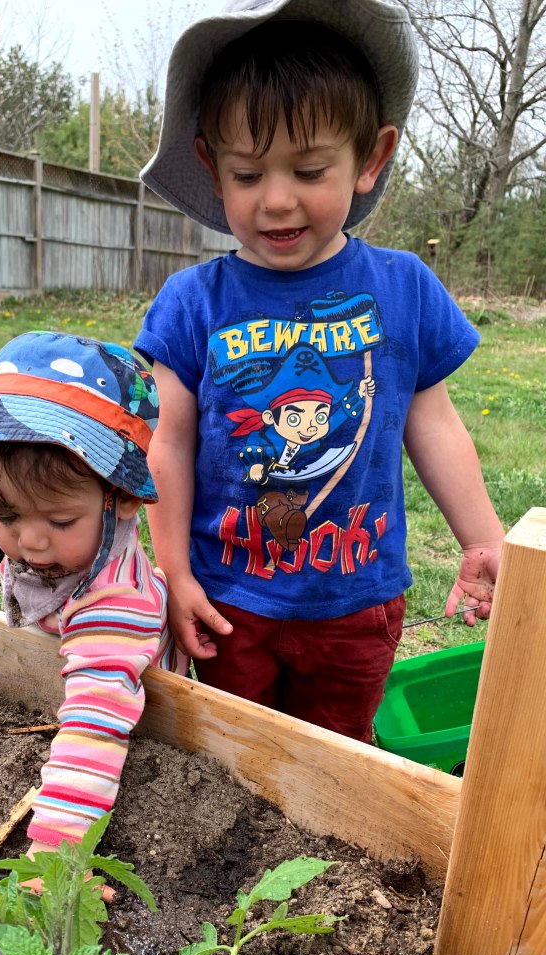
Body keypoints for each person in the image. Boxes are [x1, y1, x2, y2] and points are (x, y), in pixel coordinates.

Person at [135, 0, 504, 743]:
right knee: (240, 757)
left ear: (370, 158)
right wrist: (171, 568)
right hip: (229, 599)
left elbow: (430, 422)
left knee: (339, 754)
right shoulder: (190, 304)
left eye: (308, 170)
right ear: (211, 165)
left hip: (357, 601)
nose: (276, 199)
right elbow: (166, 441)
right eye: (247, 173)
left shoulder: (404, 287)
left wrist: (482, 538)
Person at [0, 331, 185, 887]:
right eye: (10, 515)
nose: (29, 542)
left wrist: (55, 854)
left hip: (127, 701)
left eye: (59, 523)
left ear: (120, 499)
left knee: (119, 723)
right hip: (61, 664)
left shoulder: (116, 602)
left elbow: (92, 730)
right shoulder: (18, 509)